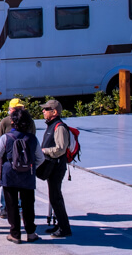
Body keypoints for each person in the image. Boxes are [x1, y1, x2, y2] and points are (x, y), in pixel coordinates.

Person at [0, 109, 44, 244]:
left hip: (9, 175)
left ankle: (15, 234)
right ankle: (31, 233)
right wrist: (30, 166)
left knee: (12, 205)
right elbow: (40, 158)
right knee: (28, 205)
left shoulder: (6, 138)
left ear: (12, 121)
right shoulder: (32, 139)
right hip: (27, 175)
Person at [0, 98, 34, 218]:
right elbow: (1, 138)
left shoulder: (29, 121)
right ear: (10, 109)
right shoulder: (5, 122)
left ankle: (22, 208)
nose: (19, 110)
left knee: (23, 186)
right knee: (7, 185)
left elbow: (32, 136)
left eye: (20, 108)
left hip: (24, 158)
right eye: (17, 108)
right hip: (9, 159)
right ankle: (4, 208)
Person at [41, 99, 72, 237]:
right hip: (52, 165)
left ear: (54, 112)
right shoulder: (51, 125)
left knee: (56, 197)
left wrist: (44, 151)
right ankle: (59, 224)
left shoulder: (59, 127)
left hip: (57, 167)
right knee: (54, 196)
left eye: (46, 109)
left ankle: (64, 228)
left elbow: (60, 149)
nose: (43, 111)